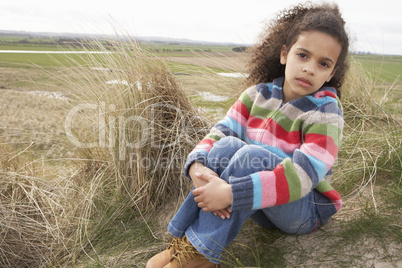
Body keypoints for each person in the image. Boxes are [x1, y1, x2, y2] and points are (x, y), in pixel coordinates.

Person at [147, 2, 349, 267]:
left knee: (251, 156)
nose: (310, 68)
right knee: (226, 145)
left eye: (323, 63)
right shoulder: (257, 95)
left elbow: (303, 176)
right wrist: (198, 167)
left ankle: (202, 256)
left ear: (331, 73)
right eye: (303, 55)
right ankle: (186, 242)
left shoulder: (326, 113)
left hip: (304, 209)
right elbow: (220, 132)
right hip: (262, 204)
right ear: (284, 54)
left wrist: (231, 194)